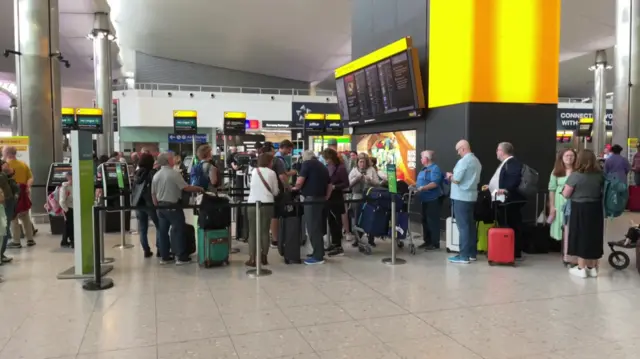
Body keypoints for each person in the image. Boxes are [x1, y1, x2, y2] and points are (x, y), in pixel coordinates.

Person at [151, 152, 204, 265]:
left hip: (160, 206)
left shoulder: (156, 175)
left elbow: (153, 194)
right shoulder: (174, 174)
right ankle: (181, 257)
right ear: (168, 161)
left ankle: (165, 257)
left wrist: (157, 206)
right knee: (178, 230)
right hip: (173, 206)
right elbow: (186, 187)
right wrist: (199, 188)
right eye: (172, 158)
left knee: (163, 232)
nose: (174, 159)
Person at [562, 149, 604, 278]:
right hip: (596, 209)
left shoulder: (575, 175)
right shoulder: (600, 175)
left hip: (579, 208)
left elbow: (566, 194)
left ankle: (581, 268)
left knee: (581, 236)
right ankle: (592, 268)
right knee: (594, 236)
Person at [485, 142, 525, 260]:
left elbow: (514, 179)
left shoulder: (512, 163)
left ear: (502, 151)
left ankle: (514, 252)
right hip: (502, 199)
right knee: (506, 224)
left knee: (511, 224)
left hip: (509, 200)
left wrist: (505, 189)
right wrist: (491, 186)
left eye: (497, 150)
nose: (496, 152)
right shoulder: (507, 163)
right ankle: (507, 250)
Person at [445, 140, 482, 264]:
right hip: (471, 197)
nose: (458, 153)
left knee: (463, 227)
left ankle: (463, 255)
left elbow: (457, 179)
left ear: (463, 149)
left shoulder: (463, 161)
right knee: (470, 226)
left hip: (461, 197)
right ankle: (472, 253)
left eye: (458, 150)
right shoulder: (476, 161)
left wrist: (450, 176)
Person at [292, 150, 330, 265]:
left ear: (305, 158)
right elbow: (330, 185)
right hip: (321, 199)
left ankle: (318, 257)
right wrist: (326, 197)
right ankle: (318, 252)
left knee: (313, 227)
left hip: (311, 199)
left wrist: (293, 188)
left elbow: (299, 182)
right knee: (318, 226)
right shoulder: (323, 166)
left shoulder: (307, 164)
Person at [246, 152, 280, 267]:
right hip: (267, 204)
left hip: (252, 203)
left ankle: (252, 258)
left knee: (252, 231)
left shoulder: (254, 171)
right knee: (264, 231)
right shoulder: (272, 173)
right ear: (269, 162)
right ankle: (264, 257)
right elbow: (275, 192)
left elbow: (250, 185)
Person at [548, 148, 577, 266]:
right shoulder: (556, 171)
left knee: (572, 227)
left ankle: (571, 253)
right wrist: (552, 206)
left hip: (574, 201)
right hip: (560, 202)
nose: (569, 158)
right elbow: (552, 190)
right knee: (562, 227)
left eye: (571, 156)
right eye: (567, 156)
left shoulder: (578, 171)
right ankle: (565, 253)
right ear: (561, 157)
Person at [3, 146, 35, 249]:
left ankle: (16, 241)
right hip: (23, 192)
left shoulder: (5, 166)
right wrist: (27, 187)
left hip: (11, 193)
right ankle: (30, 239)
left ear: (7, 153)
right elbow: (31, 178)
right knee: (25, 216)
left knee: (13, 217)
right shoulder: (23, 164)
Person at [348, 153, 380, 246]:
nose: (362, 164)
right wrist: (356, 179)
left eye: (364, 162)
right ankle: (357, 239)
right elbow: (349, 184)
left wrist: (369, 180)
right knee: (357, 218)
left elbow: (377, 183)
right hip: (357, 196)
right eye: (360, 162)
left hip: (370, 196)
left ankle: (371, 239)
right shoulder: (354, 171)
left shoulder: (371, 170)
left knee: (371, 217)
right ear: (357, 162)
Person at [323, 148, 349, 257]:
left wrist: (334, 186)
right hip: (330, 198)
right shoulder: (328, 167)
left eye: (327, 158)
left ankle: (339, 246)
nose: (326, 161)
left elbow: (346, 183)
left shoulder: (341, 168)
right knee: (331, 222)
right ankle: (334, 243)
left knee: (337, 222)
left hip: (337, 197)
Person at [133, 153, 160, 258]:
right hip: (150, 203)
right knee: (159, 226)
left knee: (143, 229)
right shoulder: (152, 173)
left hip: (138, 203)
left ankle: (146, 250)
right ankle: (160, 249)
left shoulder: (136, 173)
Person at [416, 150, 443, 251]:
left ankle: (434, 243)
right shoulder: (423, 169)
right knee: (425, 220)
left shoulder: (435, 169)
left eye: (422, 157)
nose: (420, 159)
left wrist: (423, 188)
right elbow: (420, 182)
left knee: (432, 221)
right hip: (424, 199)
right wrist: (414, 186)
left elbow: (435, 183)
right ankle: (427, 241)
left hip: (432, 199)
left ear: (426, 159)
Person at [270, 140, 295, 248]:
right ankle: (275, 240)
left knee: (275, 214)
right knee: (275, 214)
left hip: (274, 189)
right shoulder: (279, 159)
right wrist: (288, 186)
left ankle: (275, 237)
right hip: (278, 189)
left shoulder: (275, 158)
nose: (290, 151)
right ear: (284, 147)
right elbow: (282, 175)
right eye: (289, 149)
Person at [0, 162, 16, 263]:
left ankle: (1, 254)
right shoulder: (2, 175)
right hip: (4, 203)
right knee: (3, 230)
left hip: (6, 201)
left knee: (4, 229)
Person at [59, 172, 74, 248]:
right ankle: (72, 241)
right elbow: (62, 201)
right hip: (69, 208)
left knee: (68, 224)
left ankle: (64, 241)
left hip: (73, 208)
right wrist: (66, 210)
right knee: (70, 225)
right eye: (70, 178)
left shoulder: (75, 186)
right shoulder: (65, 187)